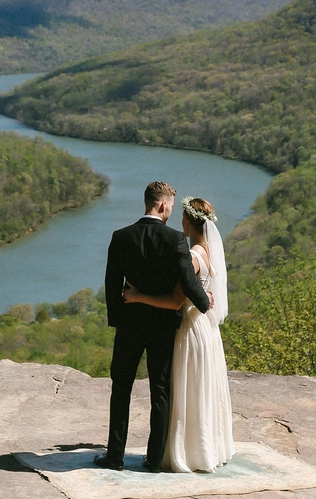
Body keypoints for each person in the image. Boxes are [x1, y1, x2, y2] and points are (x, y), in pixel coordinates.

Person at [94, 181, 210, 472]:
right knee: (160, 390)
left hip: (129, 325)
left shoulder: (121, 237)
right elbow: (188, 281)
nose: (171, 211)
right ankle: (155, 459)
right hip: (162, 327)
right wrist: (205, 302)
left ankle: (115, 457)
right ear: (162, 205)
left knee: (121, 389)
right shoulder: (175, 241)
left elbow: (111, 286)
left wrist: (120, 320)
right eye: (170, 206)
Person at [123, 196, 234, 472]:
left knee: (188, 390)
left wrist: (137, 296)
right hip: (206, 330)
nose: (180, 221)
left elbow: (174, 301)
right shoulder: (207, 252)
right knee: (201, 389)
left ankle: (186, 452)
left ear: (189, 220)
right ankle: (205, 449)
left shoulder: (193, 256)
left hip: (190, 331)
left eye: (183, 217)